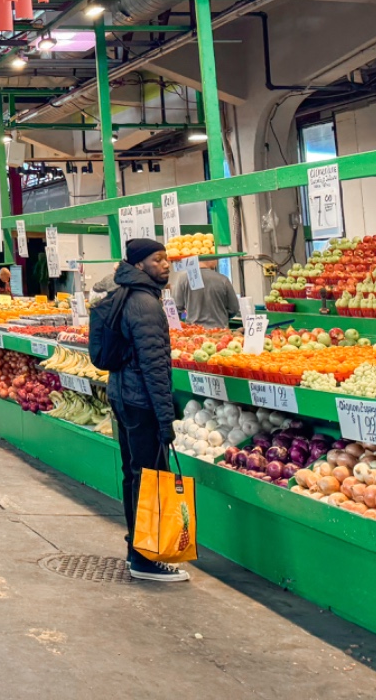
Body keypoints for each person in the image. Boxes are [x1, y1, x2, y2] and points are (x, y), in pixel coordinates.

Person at [93, 237, 186, 583]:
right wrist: (165, 419)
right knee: (150, 479)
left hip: (123, 396)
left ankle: (137, 550)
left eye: (167, 260)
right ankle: (146, 559)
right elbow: (154, 367)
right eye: (158, 259)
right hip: (141, 400)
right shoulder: (146, 304)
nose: (165, 265)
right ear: (140, 264)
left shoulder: (123, 294)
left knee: (135, 475)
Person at [170, 263, 242, 329]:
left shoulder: (183, 279)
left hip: (193, 333)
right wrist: (221, 315)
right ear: (212, 260)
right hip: (219, 332)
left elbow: (175, 308)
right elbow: (234, 309)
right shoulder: (223, 280)